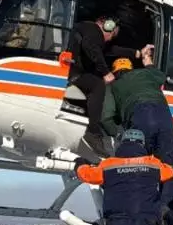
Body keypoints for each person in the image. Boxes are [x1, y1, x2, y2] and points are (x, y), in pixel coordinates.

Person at [99, 49, 173, 217]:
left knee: (136, 167)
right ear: (131, 68)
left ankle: (138, 214)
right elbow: (160, 76)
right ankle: (166, 217)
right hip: (164, 117)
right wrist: (148, 60)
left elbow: (106, 118)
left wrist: (119, 134)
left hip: (139, 118)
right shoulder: (146, 74)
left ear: (115, 72)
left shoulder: (113, 86)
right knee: (168, 167)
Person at [60, 16, 143, 157]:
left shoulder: (87, 30)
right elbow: (91, 47)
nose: (110, 39)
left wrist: (136, 53)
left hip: (72, 72)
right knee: (97, 85)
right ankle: (93, 132)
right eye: (112, 35)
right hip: (72, 73)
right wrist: (106, 73)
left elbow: (110, 50)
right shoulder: (93, 31)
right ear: (107, 26)